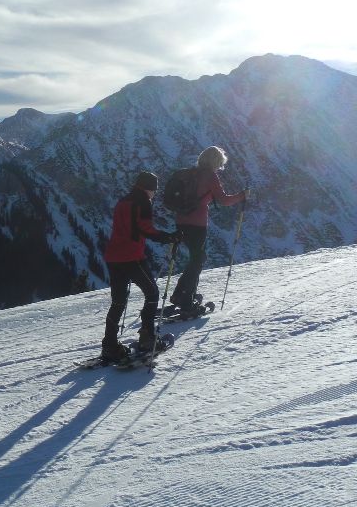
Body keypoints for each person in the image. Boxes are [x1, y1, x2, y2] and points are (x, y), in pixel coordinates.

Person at [101, 171, 179, 362]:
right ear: (150, 188)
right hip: (132, 257)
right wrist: (169, 237)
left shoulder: (123, 200)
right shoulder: (143, 201)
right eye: (154, 190)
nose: (154, 194)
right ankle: (147, 337)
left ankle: (109, 345)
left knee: (118, 301)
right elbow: (146, 229)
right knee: (152, 293)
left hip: (113, 256)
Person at [169, 146, 247, 312]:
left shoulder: (190, 173)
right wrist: (242, 196)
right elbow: (224, 201)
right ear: (216, 162)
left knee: (195, 259)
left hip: (180, 221)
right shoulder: (211, 176)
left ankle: (184, 293)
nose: (220, 167)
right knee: (197, 260)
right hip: (197, 224)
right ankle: (184, 298)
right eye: (220, 163)